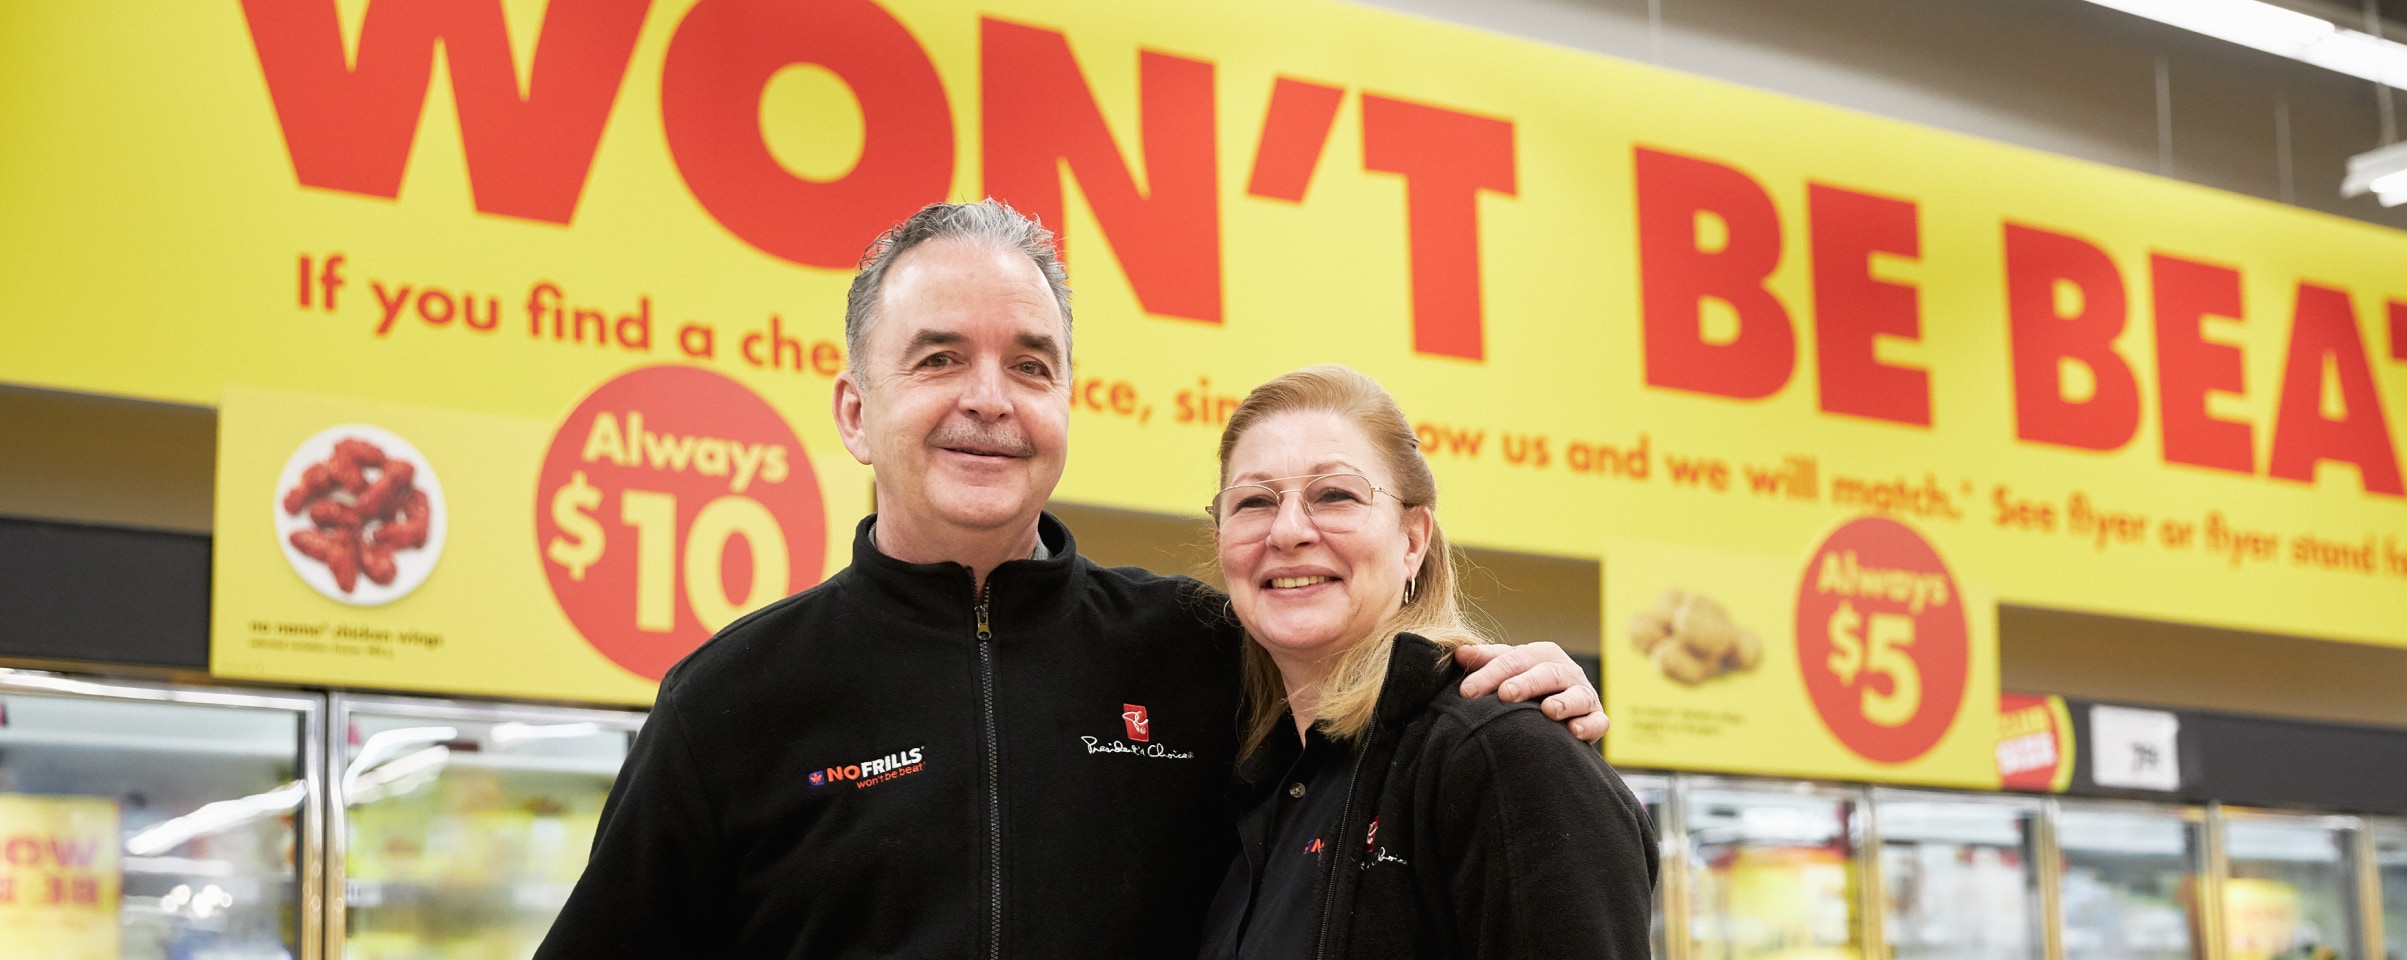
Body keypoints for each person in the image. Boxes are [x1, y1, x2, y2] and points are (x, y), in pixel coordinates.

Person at [533, 201, 1606, 958]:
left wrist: (1514, 692)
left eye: (1031, 365)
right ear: (856, 412)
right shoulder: (733, 699)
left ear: (1065, 411)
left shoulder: (1201, 650)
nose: (991, 400)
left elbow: (1382, 708)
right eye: (940, 357)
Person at [1197, 365, 1657, 960]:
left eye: (1335, 494)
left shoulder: (1499, 754)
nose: (1287, 531)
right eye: (1254, 502)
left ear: (1412, 539)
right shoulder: (1261, 783)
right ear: (1220, 542)